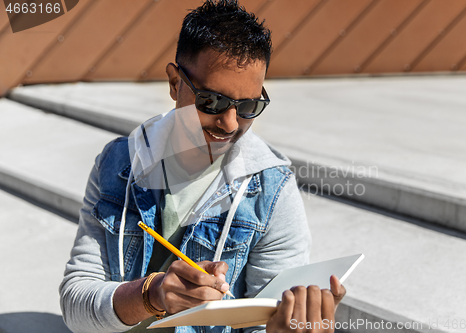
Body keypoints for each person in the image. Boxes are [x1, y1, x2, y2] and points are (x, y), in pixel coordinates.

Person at [59, 1, 346, 333]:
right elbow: (75, 305)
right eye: (212, 101)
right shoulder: (119, 163)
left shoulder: (272, 191)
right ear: (173, 83)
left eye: (249, 106)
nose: (229, 122)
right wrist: (151, 294)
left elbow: (265, 319)